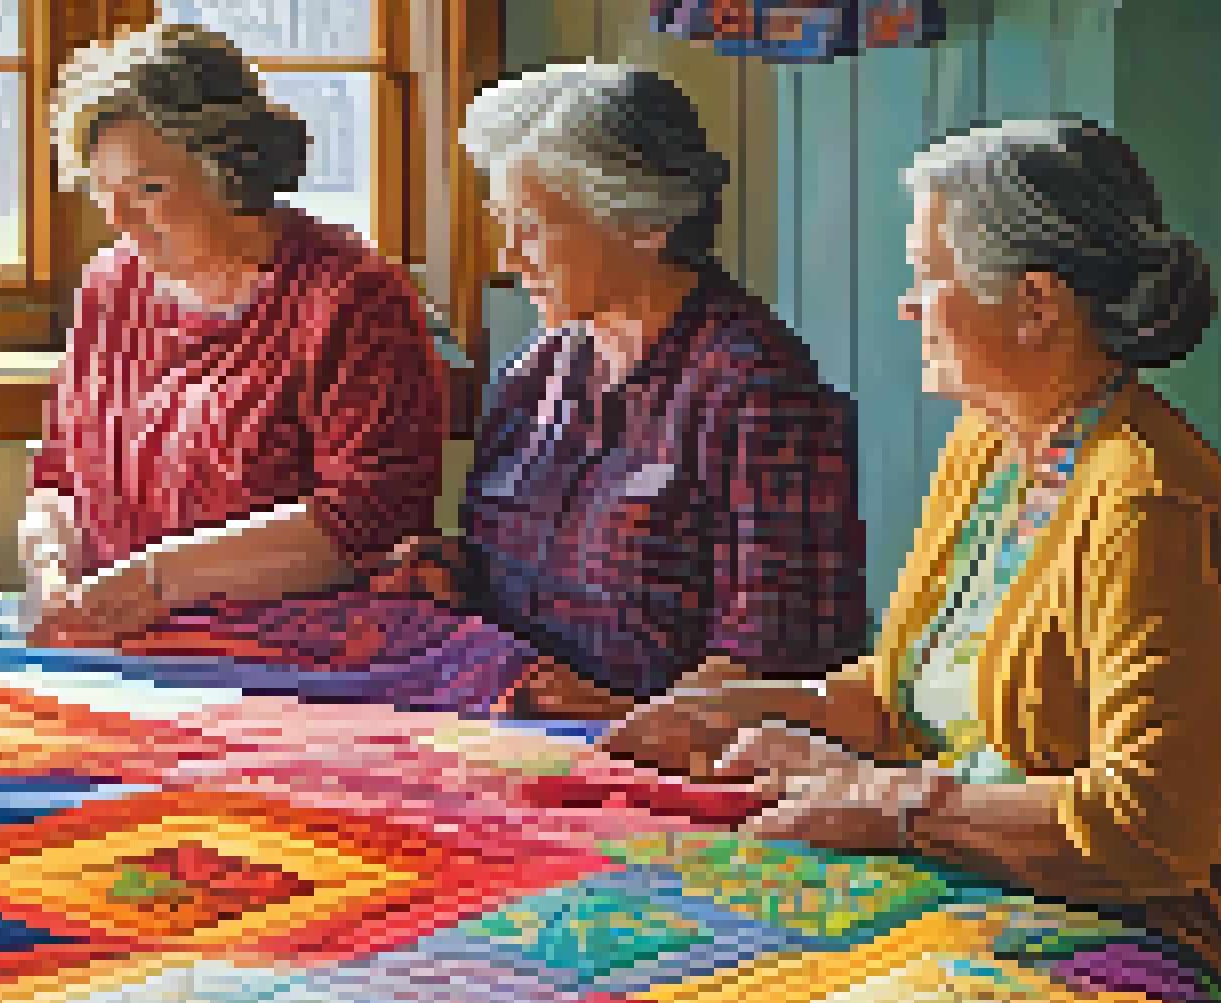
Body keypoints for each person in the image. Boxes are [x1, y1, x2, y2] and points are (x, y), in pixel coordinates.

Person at [599, 118, 1221, 1003]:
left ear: (1037, 303)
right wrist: (740, 709)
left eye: (931, 273)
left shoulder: (1151, 509)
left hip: (1164, 936)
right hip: (986, 886)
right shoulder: (991, 449)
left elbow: (1153, 835)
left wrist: (888, 805)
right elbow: (903, 702)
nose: (908, 304)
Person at [100, 62, 869, 722]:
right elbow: (515, 577)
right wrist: (449, 570)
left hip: (655, 759)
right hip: (515, 719)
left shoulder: (759, 391)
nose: (508, 257)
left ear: (646, 225)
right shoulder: (542, 371)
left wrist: (619, 720)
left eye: (532, 228)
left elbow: (779, 662)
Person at [20, 25, 450, 645]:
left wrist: (152, 583)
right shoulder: (110, 286)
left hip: (299, 648)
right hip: (120, 638)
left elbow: (367, 523)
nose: (118, 219)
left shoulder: (352, 296)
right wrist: (49, 572)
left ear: (230, 169)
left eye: (148, 188)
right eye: (104, 190)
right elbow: (58, 478)